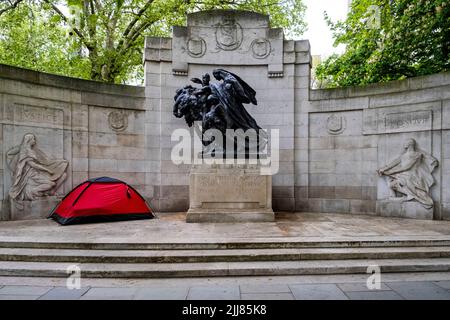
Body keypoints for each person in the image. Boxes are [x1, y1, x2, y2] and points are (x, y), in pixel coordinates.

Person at [377, 138, 438, 209]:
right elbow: (393, 163)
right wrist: (383, 169)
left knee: (396, 183)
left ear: (409, 144)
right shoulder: (403, 156)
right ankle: (404, 197)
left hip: (413, 176)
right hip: (404, 175)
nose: (404, 144)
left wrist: (390, 172)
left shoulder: (417, 155)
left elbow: (407, 167)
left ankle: (411, 196)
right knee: (391, 184)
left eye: (405, 143)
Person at [7, 133, 68, 201]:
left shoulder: (32, 151)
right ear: (29, 140)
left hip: (37, 172)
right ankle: (34, 191)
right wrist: (47, 170)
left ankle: (49, 191)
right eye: (33, 139)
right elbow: (33, 165)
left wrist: (57, 163)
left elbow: (45, 161)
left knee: (63, 175)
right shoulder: (25, 151)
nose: (34, 141)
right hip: (32, 174)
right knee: (51, 183)